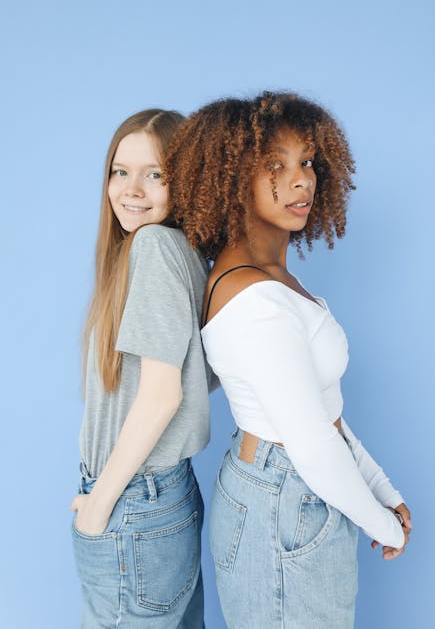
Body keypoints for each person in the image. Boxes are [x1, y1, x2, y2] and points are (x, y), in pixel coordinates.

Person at [164, 92, 412, 629]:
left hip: (288, 490)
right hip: (288, 497)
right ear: (233, 181)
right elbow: (310, 441)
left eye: (306, 162)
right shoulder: (257, 301)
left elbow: (326, 414)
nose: (301, 180)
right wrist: (382, 525)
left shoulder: (271, 280)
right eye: (275, 166)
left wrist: (381, 489)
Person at [71, 109, 211, 628]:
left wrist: (98, 503)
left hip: (134, 500)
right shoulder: (185, 253)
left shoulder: (152, 248)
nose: (131, 189)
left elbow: (161, 395)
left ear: (185, 182)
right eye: (119, 171)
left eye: (155, 174)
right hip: (163, 496)